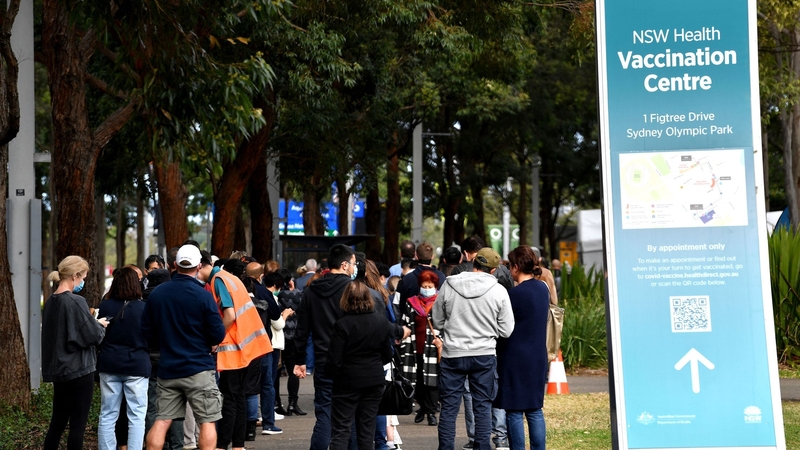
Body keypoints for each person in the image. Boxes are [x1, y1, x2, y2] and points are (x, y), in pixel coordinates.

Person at [142, 244, 226, 450]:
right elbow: (218, 333)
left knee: (162, 420)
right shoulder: (203, 295)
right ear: (199, 266)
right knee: (207, 421)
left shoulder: (158, 294)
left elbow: (146, 332)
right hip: (199, 368)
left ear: (173, 265)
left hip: (168, 368)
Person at [432, 248, 515, 450]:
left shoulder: (449, 285)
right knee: (482, 407)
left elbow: (437, 320)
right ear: (493, 270)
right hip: (484, 354)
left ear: (473, 262)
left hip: (453, 353)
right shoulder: (499, 291)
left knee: (449, 409)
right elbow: (507, 330)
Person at [42, 256, 108, 450]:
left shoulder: (51, 302)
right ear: (75, 275)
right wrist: (100, 324)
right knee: (78, 425)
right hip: (79, 369)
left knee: (58, 422)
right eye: (83, 277)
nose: (83, 282)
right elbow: (94, 335)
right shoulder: (76, 301)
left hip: (59, 370)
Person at [210, 259, 273, 450]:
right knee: (240, 396)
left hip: (234, 349)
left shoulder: (220, 280)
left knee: (230, 397)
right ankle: (239, 444)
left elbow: (229, 315)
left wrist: (215, 340)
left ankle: (223, 444)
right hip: (250, 347)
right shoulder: (236, 283)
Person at [326, 281, 394, 450]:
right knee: (367, 429)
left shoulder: (343, 324)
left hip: (347, 381)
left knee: (341, 429)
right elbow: (387, 355)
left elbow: (334, 359)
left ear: (346, 299)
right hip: (374, 379)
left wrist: (334, 374)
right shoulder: (380, 321)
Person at [495, 246, 550, 450]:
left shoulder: (512, 295)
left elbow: (503, 326)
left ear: (517, 267)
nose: (509, 270)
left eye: (510, 266)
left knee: (514, 410)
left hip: (514, 356)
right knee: (535, 409)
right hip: (537, 355)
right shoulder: (542, 289)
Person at [97, 267, 151, 450]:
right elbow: (151, 336)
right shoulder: (144, 307)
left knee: (108, 413)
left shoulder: (105, 305)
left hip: (109, 364)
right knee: (136, 415)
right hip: (137, 365)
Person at [399, 270, 442, 427]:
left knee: (432, 381)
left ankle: (431, 412)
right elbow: (404, 322)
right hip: (414, 346)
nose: (427, 288)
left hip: (432, 347)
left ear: (435, 286)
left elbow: (445, 324)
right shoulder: (412, 302)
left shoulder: (439, 302)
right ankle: (423, 409)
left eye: (430, 285)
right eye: (424, 285)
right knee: (418, 381)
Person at [397, 242, 445, 315]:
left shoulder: (407, 279)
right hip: (436, 322)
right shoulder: (441, 277)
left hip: (412, 322)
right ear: (432, 256)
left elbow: (401, 305)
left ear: (416, 256)